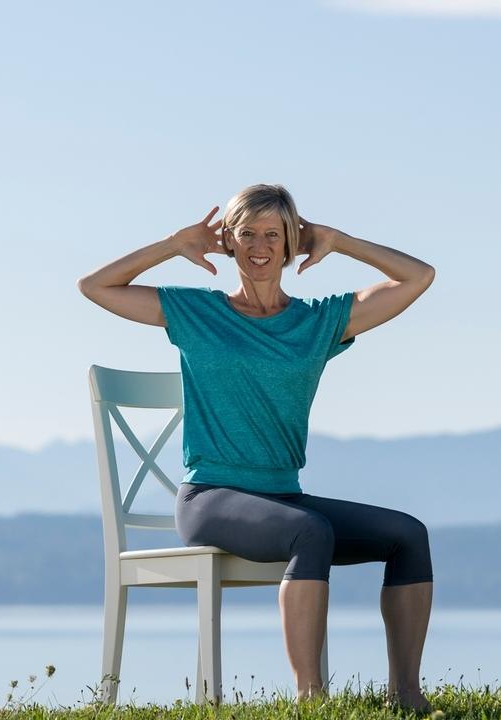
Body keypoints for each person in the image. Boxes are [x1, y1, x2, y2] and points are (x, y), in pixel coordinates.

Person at [77, 183, 436, 712]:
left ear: (293, 242)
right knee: (310, 533)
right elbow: (95, 286)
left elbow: (419, 277)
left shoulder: (318, 323)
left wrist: (338, 240)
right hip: (209, 498)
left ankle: (406, 696)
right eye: (247, 233)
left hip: (283, 498)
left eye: (274, 233)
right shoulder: (197, 312)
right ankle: (312, 703)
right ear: (228, 241)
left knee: (408, 534)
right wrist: (175, 245)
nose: (260, 245)